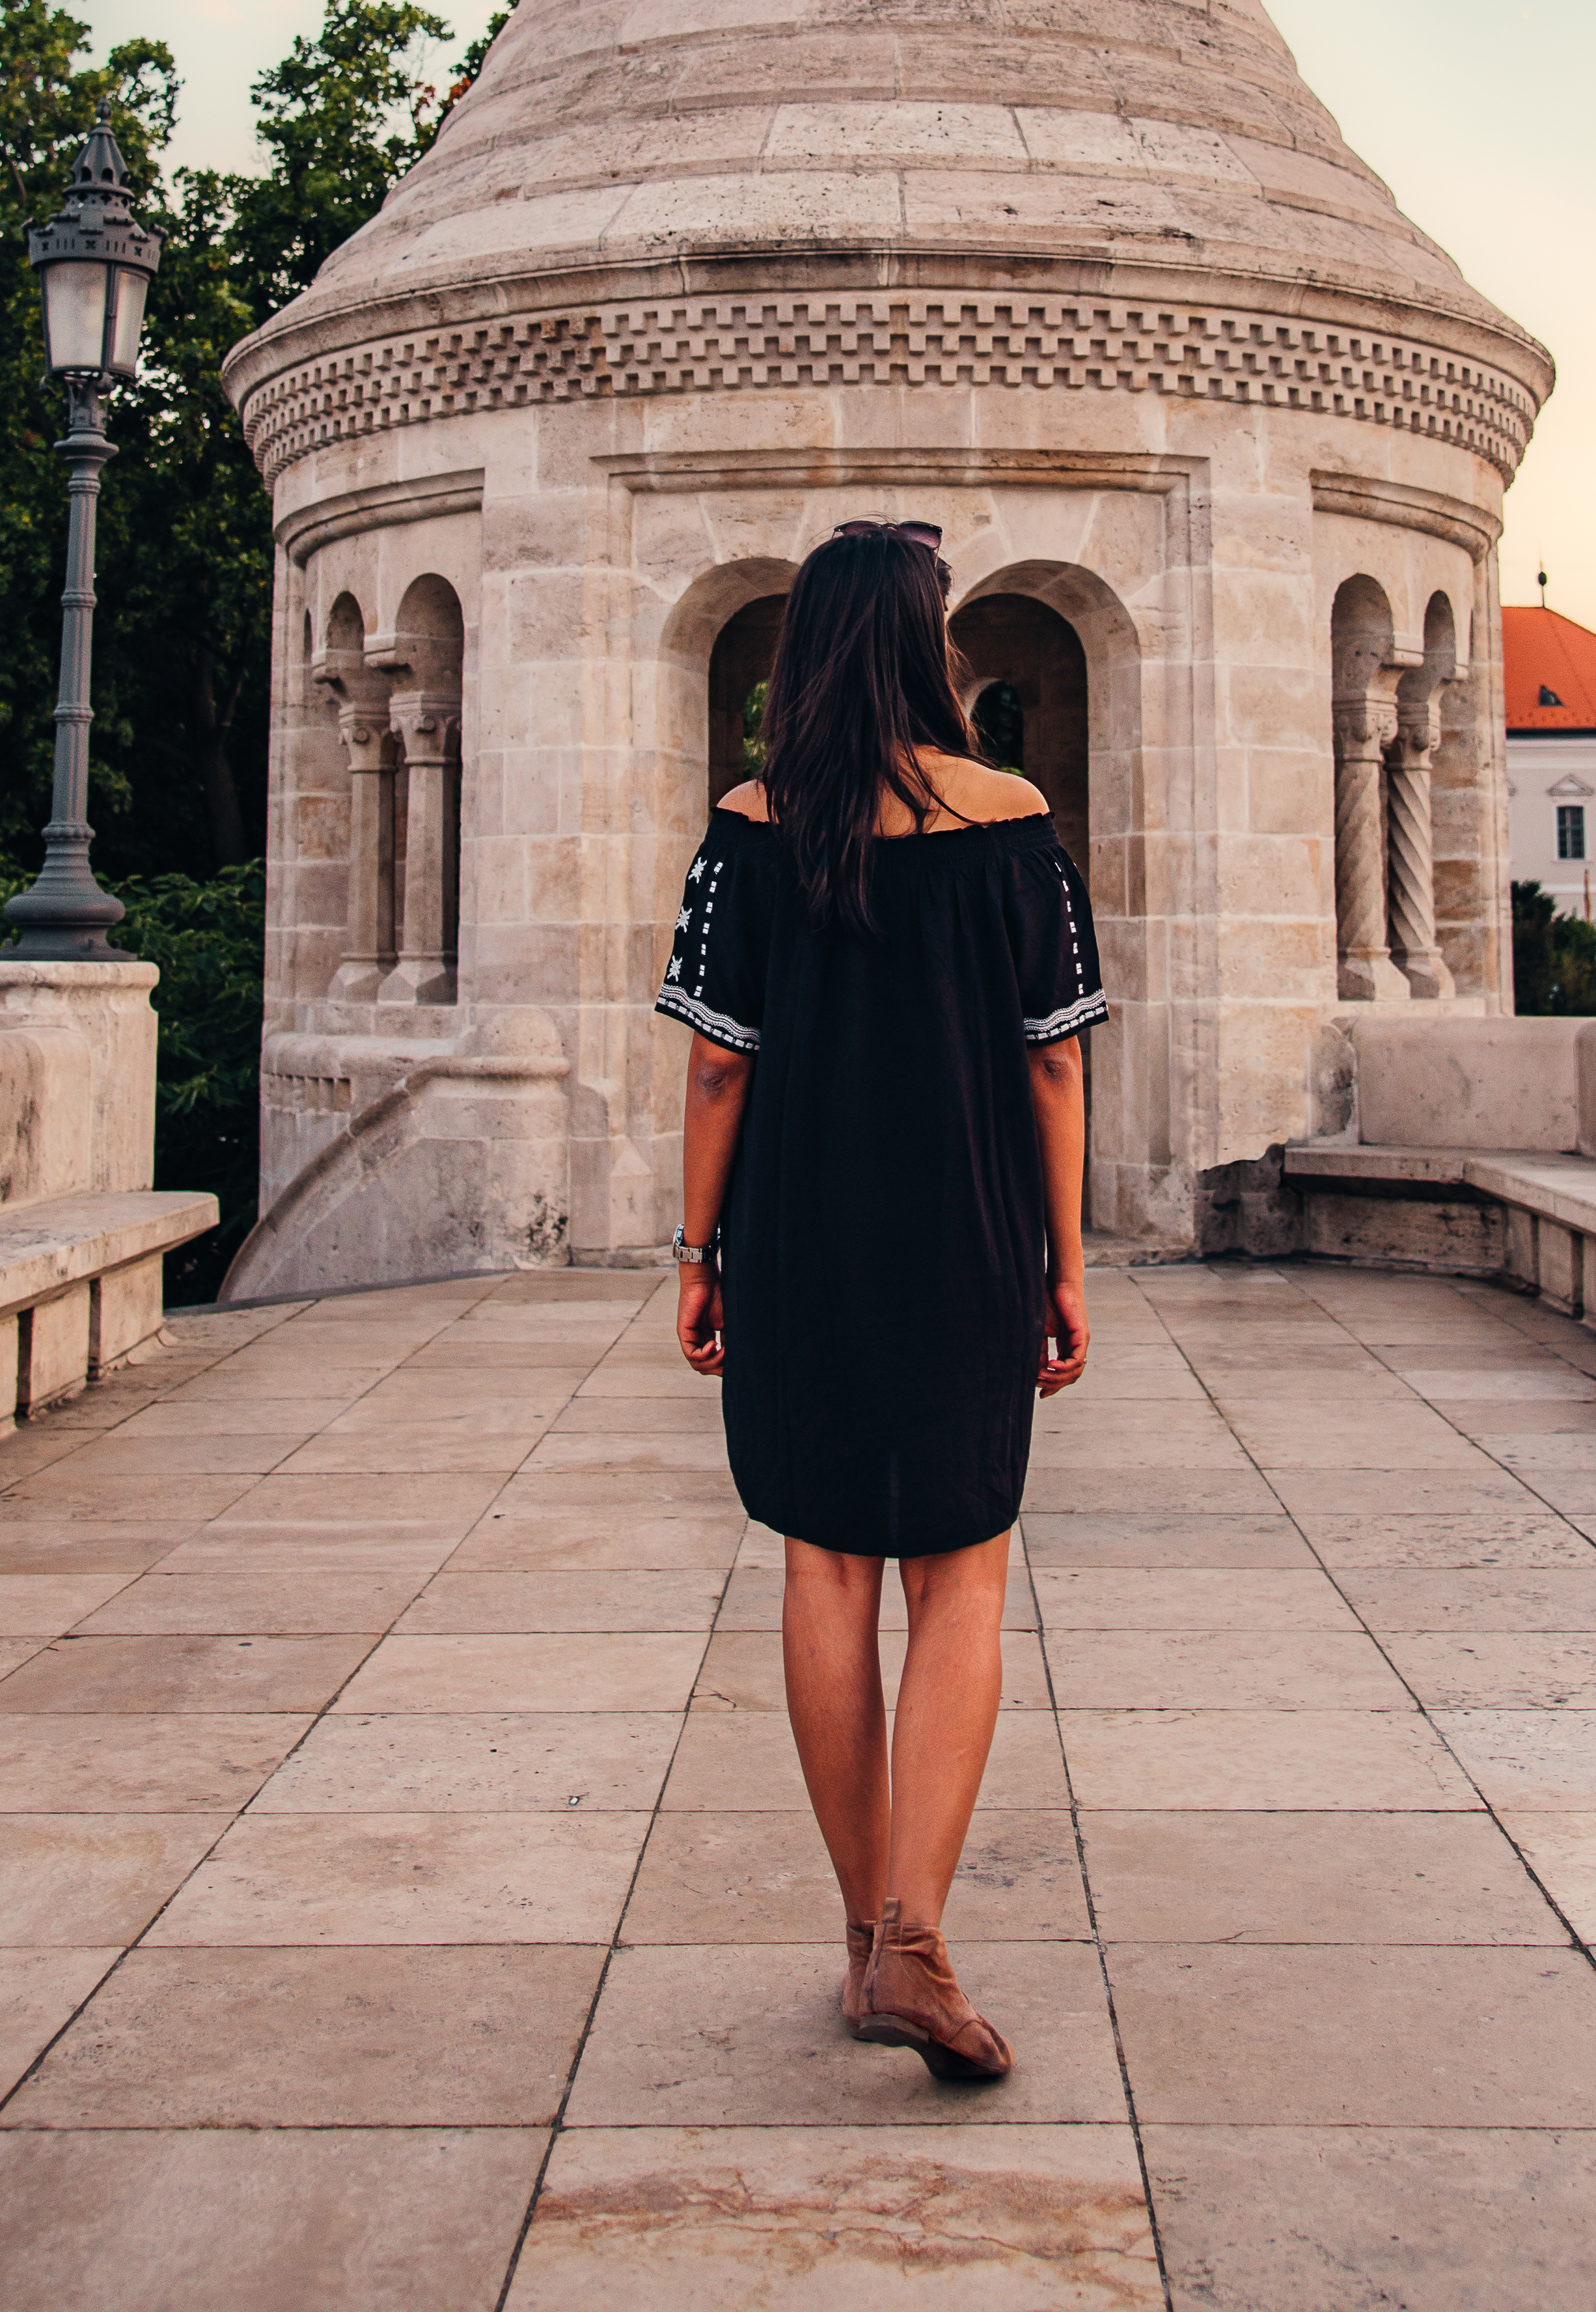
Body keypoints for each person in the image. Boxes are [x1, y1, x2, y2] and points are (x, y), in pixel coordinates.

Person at [657, 521, 1102, 2084]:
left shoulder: (748, 829)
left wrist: (696, 1250)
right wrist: (1062, 1260)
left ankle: (867, 1938)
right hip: (966, 1229)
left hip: (797, 1233)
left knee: (824, 1566)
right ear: (927, 648)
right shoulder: (1012, 821)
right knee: (959, 1575)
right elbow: (1053, 1063)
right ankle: (914, 1937)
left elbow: (719, 1066)